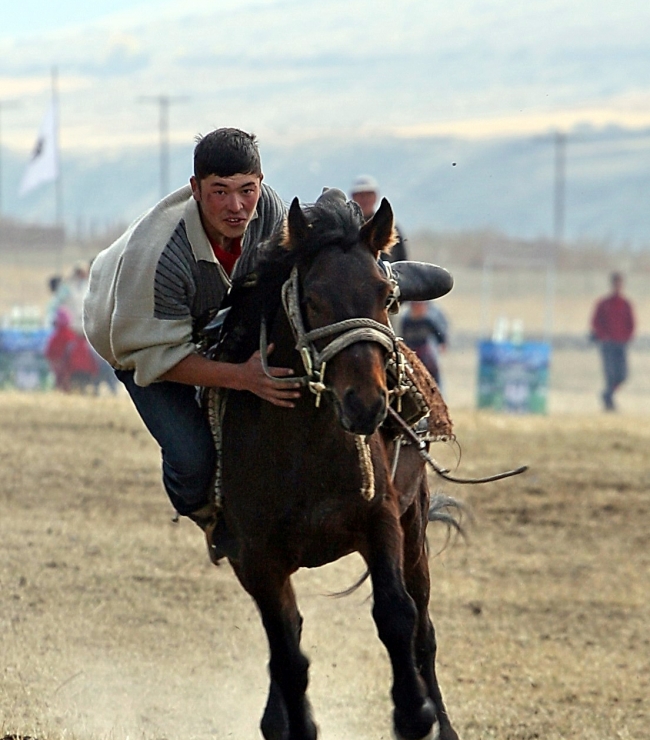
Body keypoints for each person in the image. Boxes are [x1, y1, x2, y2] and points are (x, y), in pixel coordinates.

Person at [84, 128, 451, 562]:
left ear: (261, 184)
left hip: (221, 302)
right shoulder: (160, 257)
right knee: (193, 460)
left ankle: (389, 283)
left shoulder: (270, 211)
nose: (236, 206)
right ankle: (220, 523)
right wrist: (241, 378)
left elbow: (298, 270)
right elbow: (159, 357)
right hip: (141, 339)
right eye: (219, 191)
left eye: (247, 190)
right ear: (195, 189)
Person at [590, 272, 635, 411]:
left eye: (620, 284)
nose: (618, 286)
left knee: (623, 375)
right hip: (607, 344)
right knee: (610, 374)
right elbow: (595, 321)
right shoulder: (604, 304)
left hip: (621, 343)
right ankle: (609, 403)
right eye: (616, 283)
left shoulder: (626, 304)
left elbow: (631, 323)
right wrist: (603, 336)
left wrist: (627, 337)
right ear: (612, 284)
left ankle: (607, 395)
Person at [349, 175, 408, 263]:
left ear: (375, 197)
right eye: (360, 195)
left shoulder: (389, 226)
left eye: (368, 195)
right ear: (353, 197)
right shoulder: (348, 228)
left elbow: (402, 261)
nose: (365, 199)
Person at [400, 300, 448, 388]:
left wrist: (442, 343)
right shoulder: (406, 321)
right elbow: (403, 336)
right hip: (411, 351)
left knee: (432, 370)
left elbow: (438, 333)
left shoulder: (427, 321)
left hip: (424, 350)